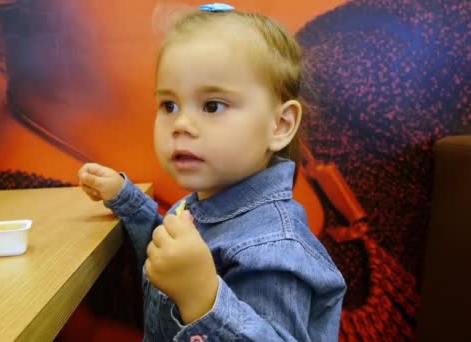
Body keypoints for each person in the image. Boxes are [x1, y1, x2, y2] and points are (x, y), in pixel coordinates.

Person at [78, 4, 346, 341]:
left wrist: (202, 298)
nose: (181, 124)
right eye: (169, 105)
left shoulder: (276, 248)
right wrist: (127, 199)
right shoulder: (204, 203)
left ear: (280, 124)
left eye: (212, 106)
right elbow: (169, 253)